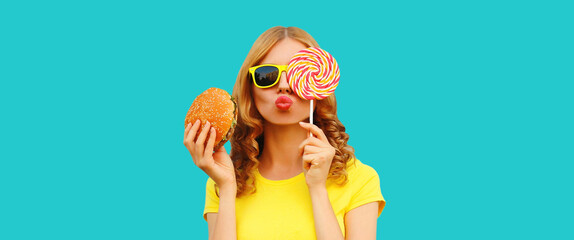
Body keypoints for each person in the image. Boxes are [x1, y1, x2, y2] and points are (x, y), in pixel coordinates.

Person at [183, 26, 385, 240]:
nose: (284, 85)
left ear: (319, 85)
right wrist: (226, 188)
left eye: (298, 73)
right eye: (266, 75)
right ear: (249, 87)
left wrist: (317, 189)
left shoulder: (360, 180)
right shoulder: (223, 180)